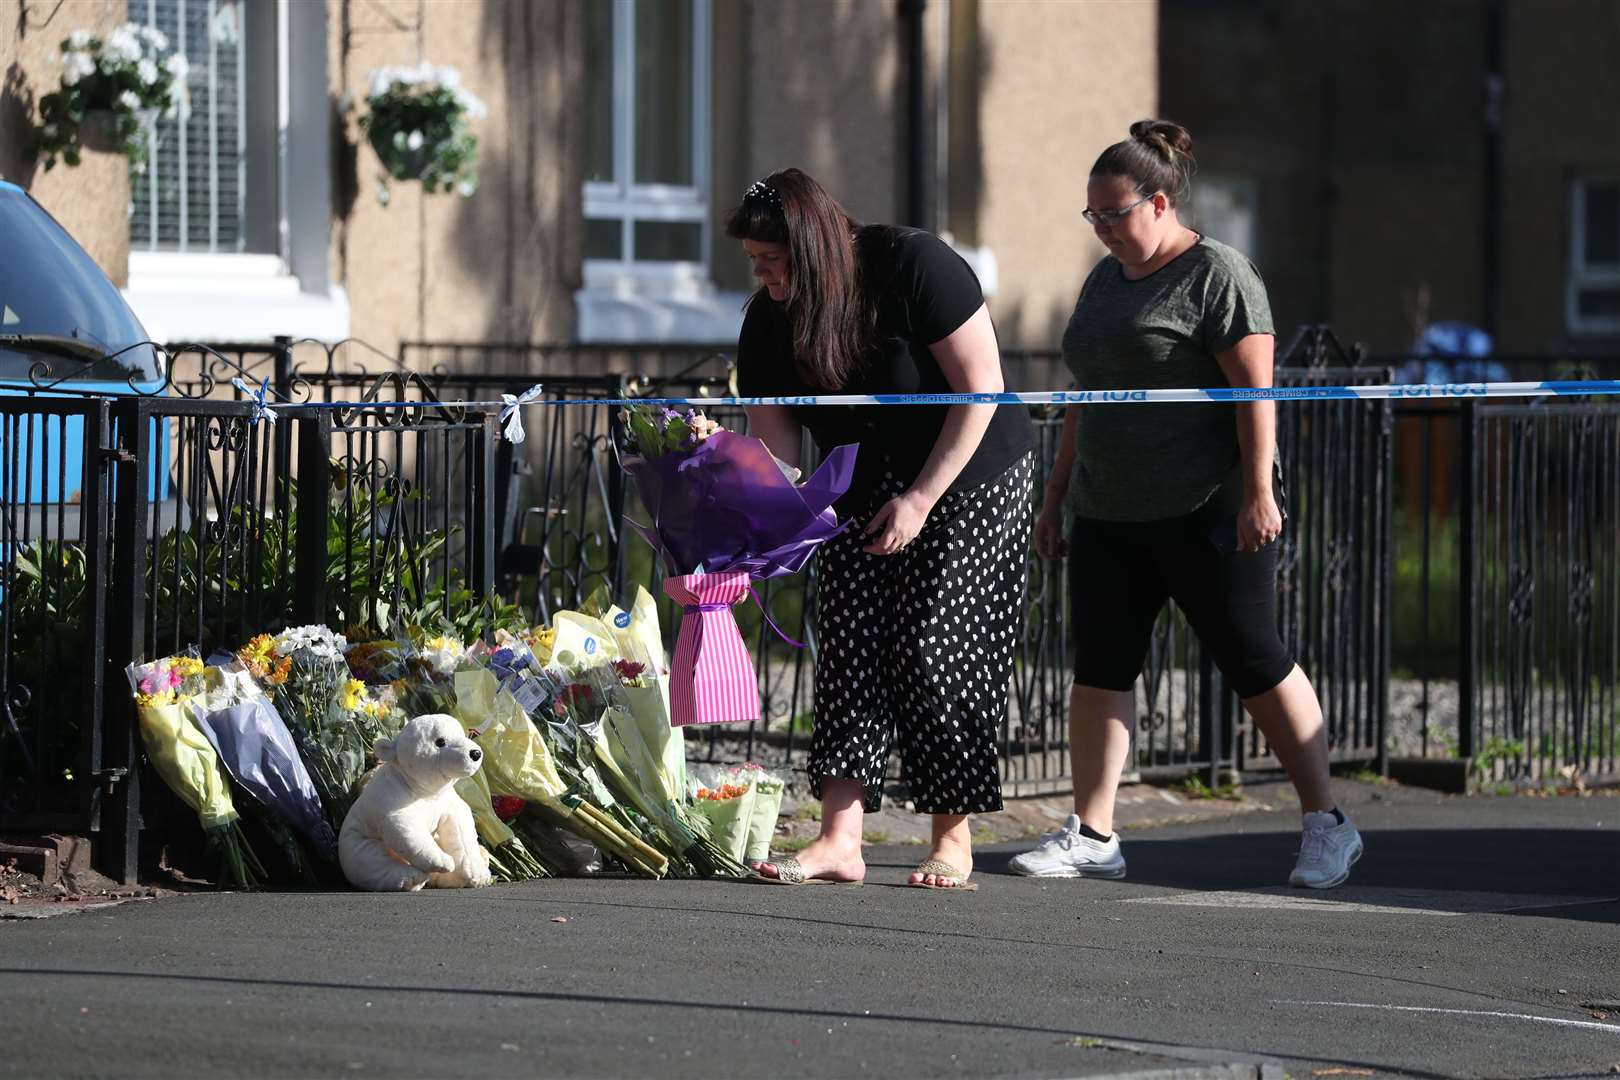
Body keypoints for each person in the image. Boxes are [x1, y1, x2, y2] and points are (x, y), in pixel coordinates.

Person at [1008, 121, 1362, 889]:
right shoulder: (1106, 280)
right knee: (1100, 668)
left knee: (1254, 658)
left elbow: (1255, 393)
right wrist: (1057, 493)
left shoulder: (1220, 274)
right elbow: (1089, 393)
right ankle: (1095, 833)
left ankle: (1325, 823)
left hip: (1208, 506)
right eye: (1092, 218)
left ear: (1159, 202)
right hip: (1109, 508)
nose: (1102, 231)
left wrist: (1261, 493)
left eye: (1114, 214)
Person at [730, 168, 1035, 891]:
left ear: (813, 247)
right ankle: (841, 839)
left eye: (775, 262)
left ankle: (952, 836)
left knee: (932, 643)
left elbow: (981, 385)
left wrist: (923, 498)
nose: (766, 278)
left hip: (967, 467)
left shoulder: (912, 264)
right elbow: (776, 453)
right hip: (863, 475)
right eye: (756, 264)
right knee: (850, 640)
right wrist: (749, 524)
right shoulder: (766, 320)